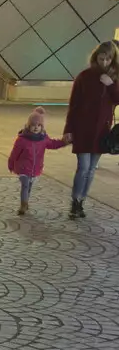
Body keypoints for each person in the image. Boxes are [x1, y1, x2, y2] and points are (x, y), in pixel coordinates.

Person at [64, 41, 119, 219]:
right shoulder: (84, 76)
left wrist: (111, 84)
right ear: (95, 57)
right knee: (83, 167)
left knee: (92, 169)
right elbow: (74, 105)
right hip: (83, 129)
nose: (104, 63)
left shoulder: (115, 77)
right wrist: (68, 129)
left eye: (108, 59)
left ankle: (81, 201)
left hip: (102, 131)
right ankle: (75, 200)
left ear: (113, 59)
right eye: (101, 59)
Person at [7, 107, 70, 216]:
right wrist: (11, 164)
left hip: (35, 168)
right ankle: (23, 205)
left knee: (29, 187)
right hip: (23, 168)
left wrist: (64, 142)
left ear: (42, 127)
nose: (36, 128)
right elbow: (14, 153)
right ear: (28, 126)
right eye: (33, 125)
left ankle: (26, 202)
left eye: (38, 125)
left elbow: (53, 144)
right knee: (25, 185)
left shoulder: (43, 139)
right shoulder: (22, 139)